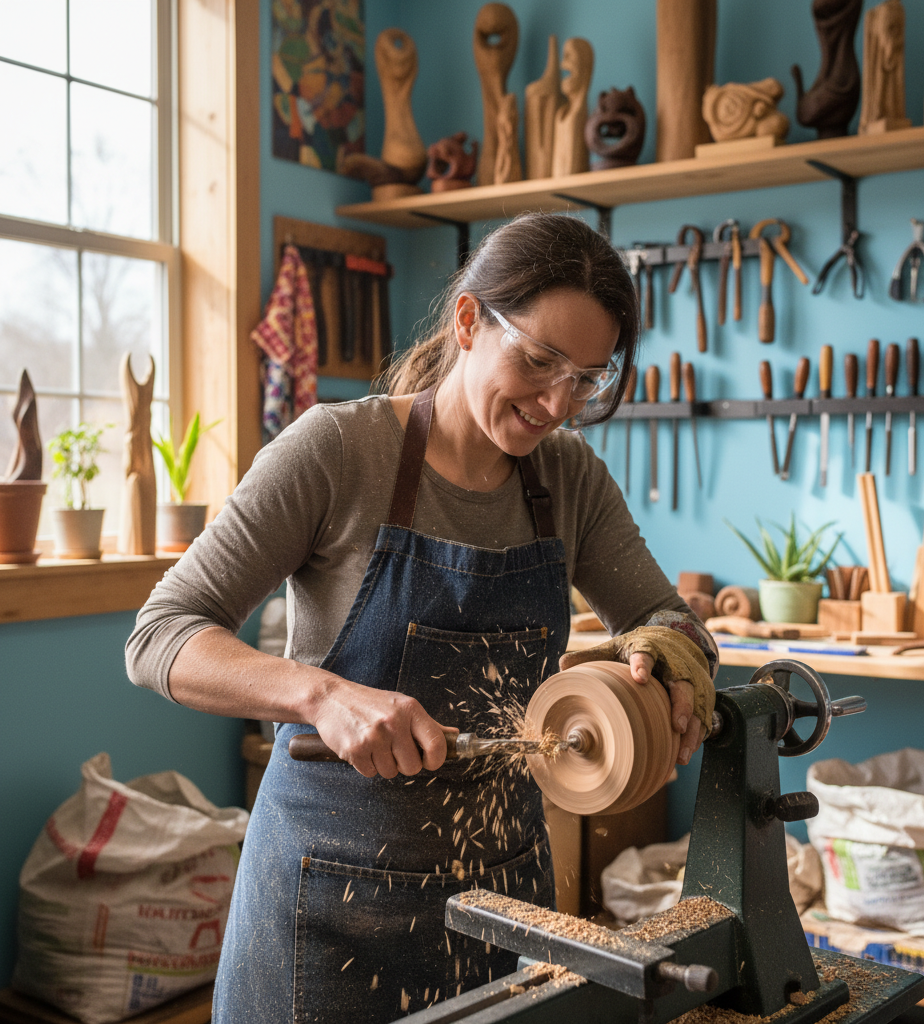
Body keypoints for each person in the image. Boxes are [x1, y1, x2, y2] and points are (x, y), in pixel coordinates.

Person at [125, 212, 718, 1023]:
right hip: (324, 907)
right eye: (540, 361)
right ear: (470, 320)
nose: (557, 403)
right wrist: (321, 696)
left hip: (504, 904)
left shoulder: (569, 478)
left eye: (587, 378)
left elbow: (666, 619)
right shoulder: (336, 451)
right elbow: (162, 635)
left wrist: (668, 662)